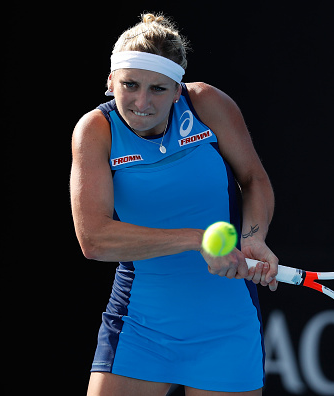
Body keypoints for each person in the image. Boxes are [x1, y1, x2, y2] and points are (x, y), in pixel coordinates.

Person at [70, 13, 279, 396]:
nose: (142, 103)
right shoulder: (95, 131)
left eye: (159, 89)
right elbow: (94, 239)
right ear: (110, 80)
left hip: (226, 324)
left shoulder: (206, 104)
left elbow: (254, 179)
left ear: (177, 89)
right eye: (130, 85)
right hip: (141, 324)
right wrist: (197, 239)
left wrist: (253, 237)